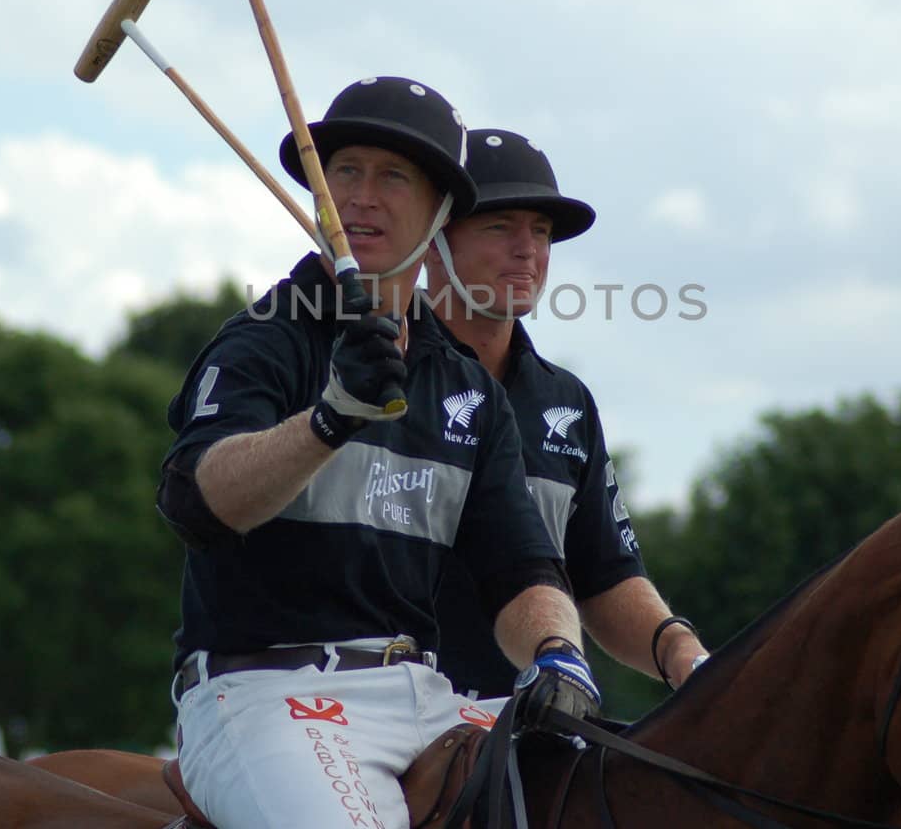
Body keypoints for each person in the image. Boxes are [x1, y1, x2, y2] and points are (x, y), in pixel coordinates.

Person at [156, 77, 600, 829]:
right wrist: (332, 418)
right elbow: (200, 502)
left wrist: (557, 650)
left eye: (392, 176)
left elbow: (519, 568)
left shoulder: (467, 389)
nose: (361, 196)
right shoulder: (266, 340)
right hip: (266, 695)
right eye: (346, 172)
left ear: (440, 215)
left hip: (425, 697)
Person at [424, 129, 709, 698]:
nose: (528, 250)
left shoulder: (566, 403)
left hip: (533, 723)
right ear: (432, 240)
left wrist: (685, 653)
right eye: (500, 226)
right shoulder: (371, 378)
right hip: (379, 718)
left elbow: (604, 578)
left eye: (543, 232)